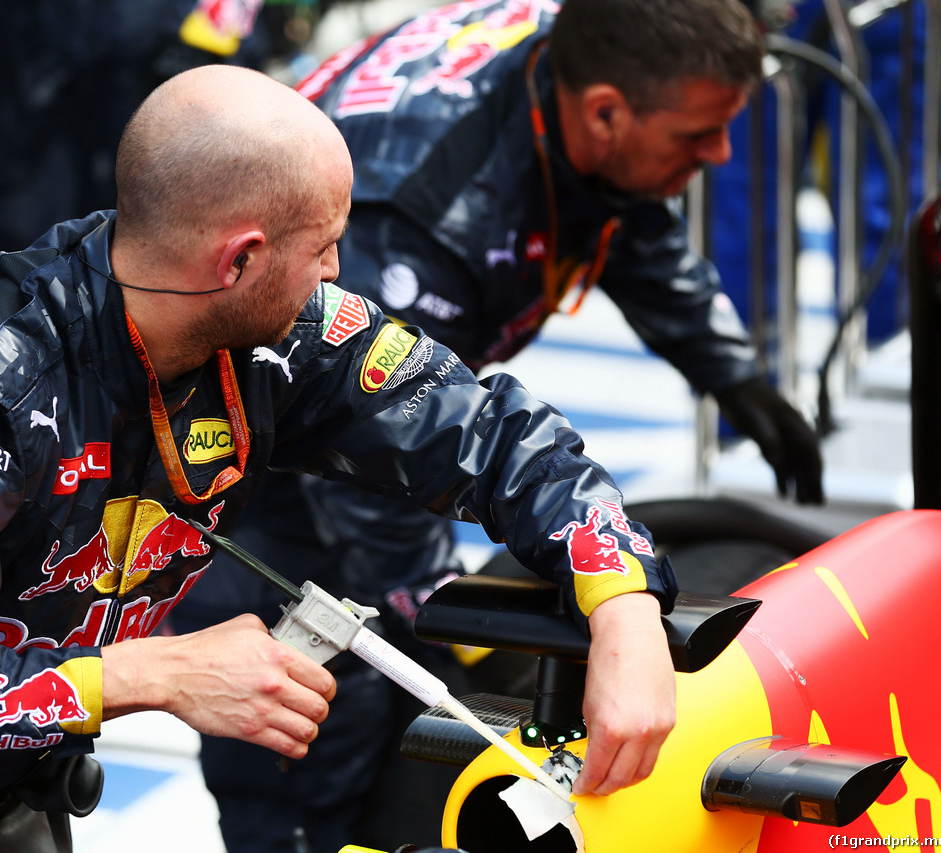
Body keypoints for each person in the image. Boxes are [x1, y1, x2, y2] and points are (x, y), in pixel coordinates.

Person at [0, 64, 679, 852]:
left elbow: (491, 435)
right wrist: (156, 674)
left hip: (14, 797)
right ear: (240, 258)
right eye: (324, 245)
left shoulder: (271, 335)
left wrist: (626, 607)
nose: (337, 273)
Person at [164, 0, 824, 850]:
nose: (718, 155)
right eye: (700, 137)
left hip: (372, 401)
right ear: (605, 111)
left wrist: (734, 375)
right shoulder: (419, 222)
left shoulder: (598, 46)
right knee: (324, 750)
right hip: (264, 474)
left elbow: (620, 195)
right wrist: (444, 623)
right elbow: (376, 447)